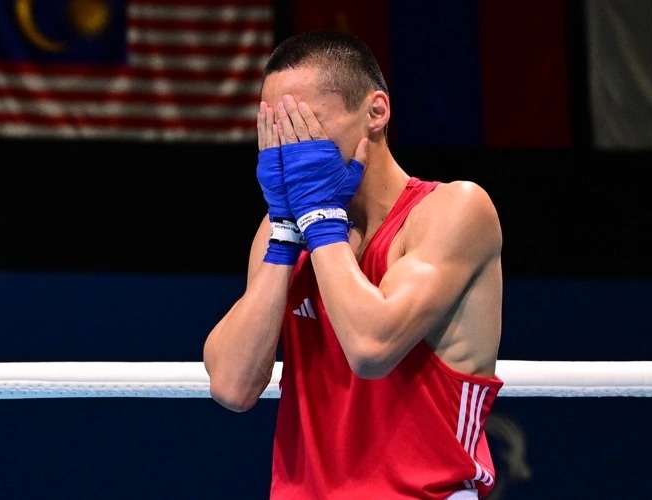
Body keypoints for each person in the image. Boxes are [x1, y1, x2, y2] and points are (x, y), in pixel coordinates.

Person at [203, 29, 504, 500]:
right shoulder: (284, 226)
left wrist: (321, 220)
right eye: (275, 127)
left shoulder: (453, 211)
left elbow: (370, 349)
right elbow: (232, 386)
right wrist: (287, 234)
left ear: (376, 113)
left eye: (305, 123)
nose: (288, 146)